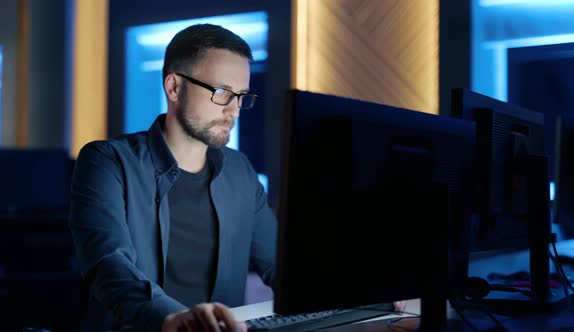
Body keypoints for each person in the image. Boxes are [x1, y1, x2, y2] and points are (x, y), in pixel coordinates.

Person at [69, 23, 406, 332]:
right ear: (174, 87)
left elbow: (280, 266)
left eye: (241, 96)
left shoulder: (240, 172)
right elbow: (108, 265)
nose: (233, 110)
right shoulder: (107, 161)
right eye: (221, 92)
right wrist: (171, 318)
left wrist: (362, 291)